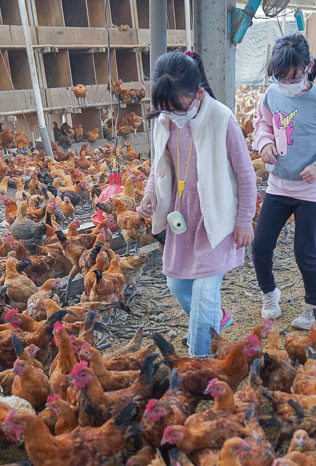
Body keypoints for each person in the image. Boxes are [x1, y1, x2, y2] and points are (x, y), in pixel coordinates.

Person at [137, 51, 256, 357]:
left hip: (214, 215)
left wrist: (244, 219)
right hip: (181, 214)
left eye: (178, 107)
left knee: (204, 294)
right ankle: (216, 319)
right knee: (177, 285)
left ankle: (198, 362)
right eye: (165, 109)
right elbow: (158, 163)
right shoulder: (164, 120)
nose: (172, 115)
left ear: (199, 93)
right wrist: (150, 192)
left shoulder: (221, 119)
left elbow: (245, 174)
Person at [251, 33, 316, 329]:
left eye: (293, 76)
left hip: (309, 190)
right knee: (260, 246)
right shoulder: (271, 95)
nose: (287, 83)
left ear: (307, 67)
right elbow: (262, 124)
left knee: (304, 251)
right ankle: (270, 295)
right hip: (278, 185)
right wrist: (264, 143)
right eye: (280, 77)